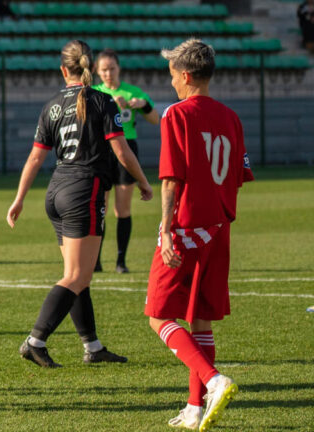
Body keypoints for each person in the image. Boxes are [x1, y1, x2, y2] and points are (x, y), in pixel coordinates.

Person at [6, 40, 152, 368]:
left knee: (79, 275)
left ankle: (93, 346)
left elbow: (34, 157)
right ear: (89, 68)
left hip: (56, 191)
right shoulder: (102, 101)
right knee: (76, 275)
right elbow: (122, 150)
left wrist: (18, 199)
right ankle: (35, 340)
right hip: (84, 191)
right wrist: (143, 181)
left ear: (63, 70)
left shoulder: (52, 105)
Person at [145, 39, 252, 431]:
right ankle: (194, 409)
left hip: (187, 227)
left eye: (172, 74)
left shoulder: (177, 114)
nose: (171, 81)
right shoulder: (231, 117)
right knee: (201, 320)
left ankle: (213, 380)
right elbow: (239, 176)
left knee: (158, 315)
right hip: (218, 229)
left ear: (186, 75)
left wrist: (169, 231)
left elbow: (172, 178)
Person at [92, 49, 159, 273]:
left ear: (118, 68)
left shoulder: (132, 92)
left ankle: (121, 261)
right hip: (101, 150)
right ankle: (96, 261)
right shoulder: (94, 92)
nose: (108, 73)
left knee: (123, 209)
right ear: (97, 71)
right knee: (99, 207)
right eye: (104, 70)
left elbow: (155, 119)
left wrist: (142, 104)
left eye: (112, 68)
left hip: (127, 149)